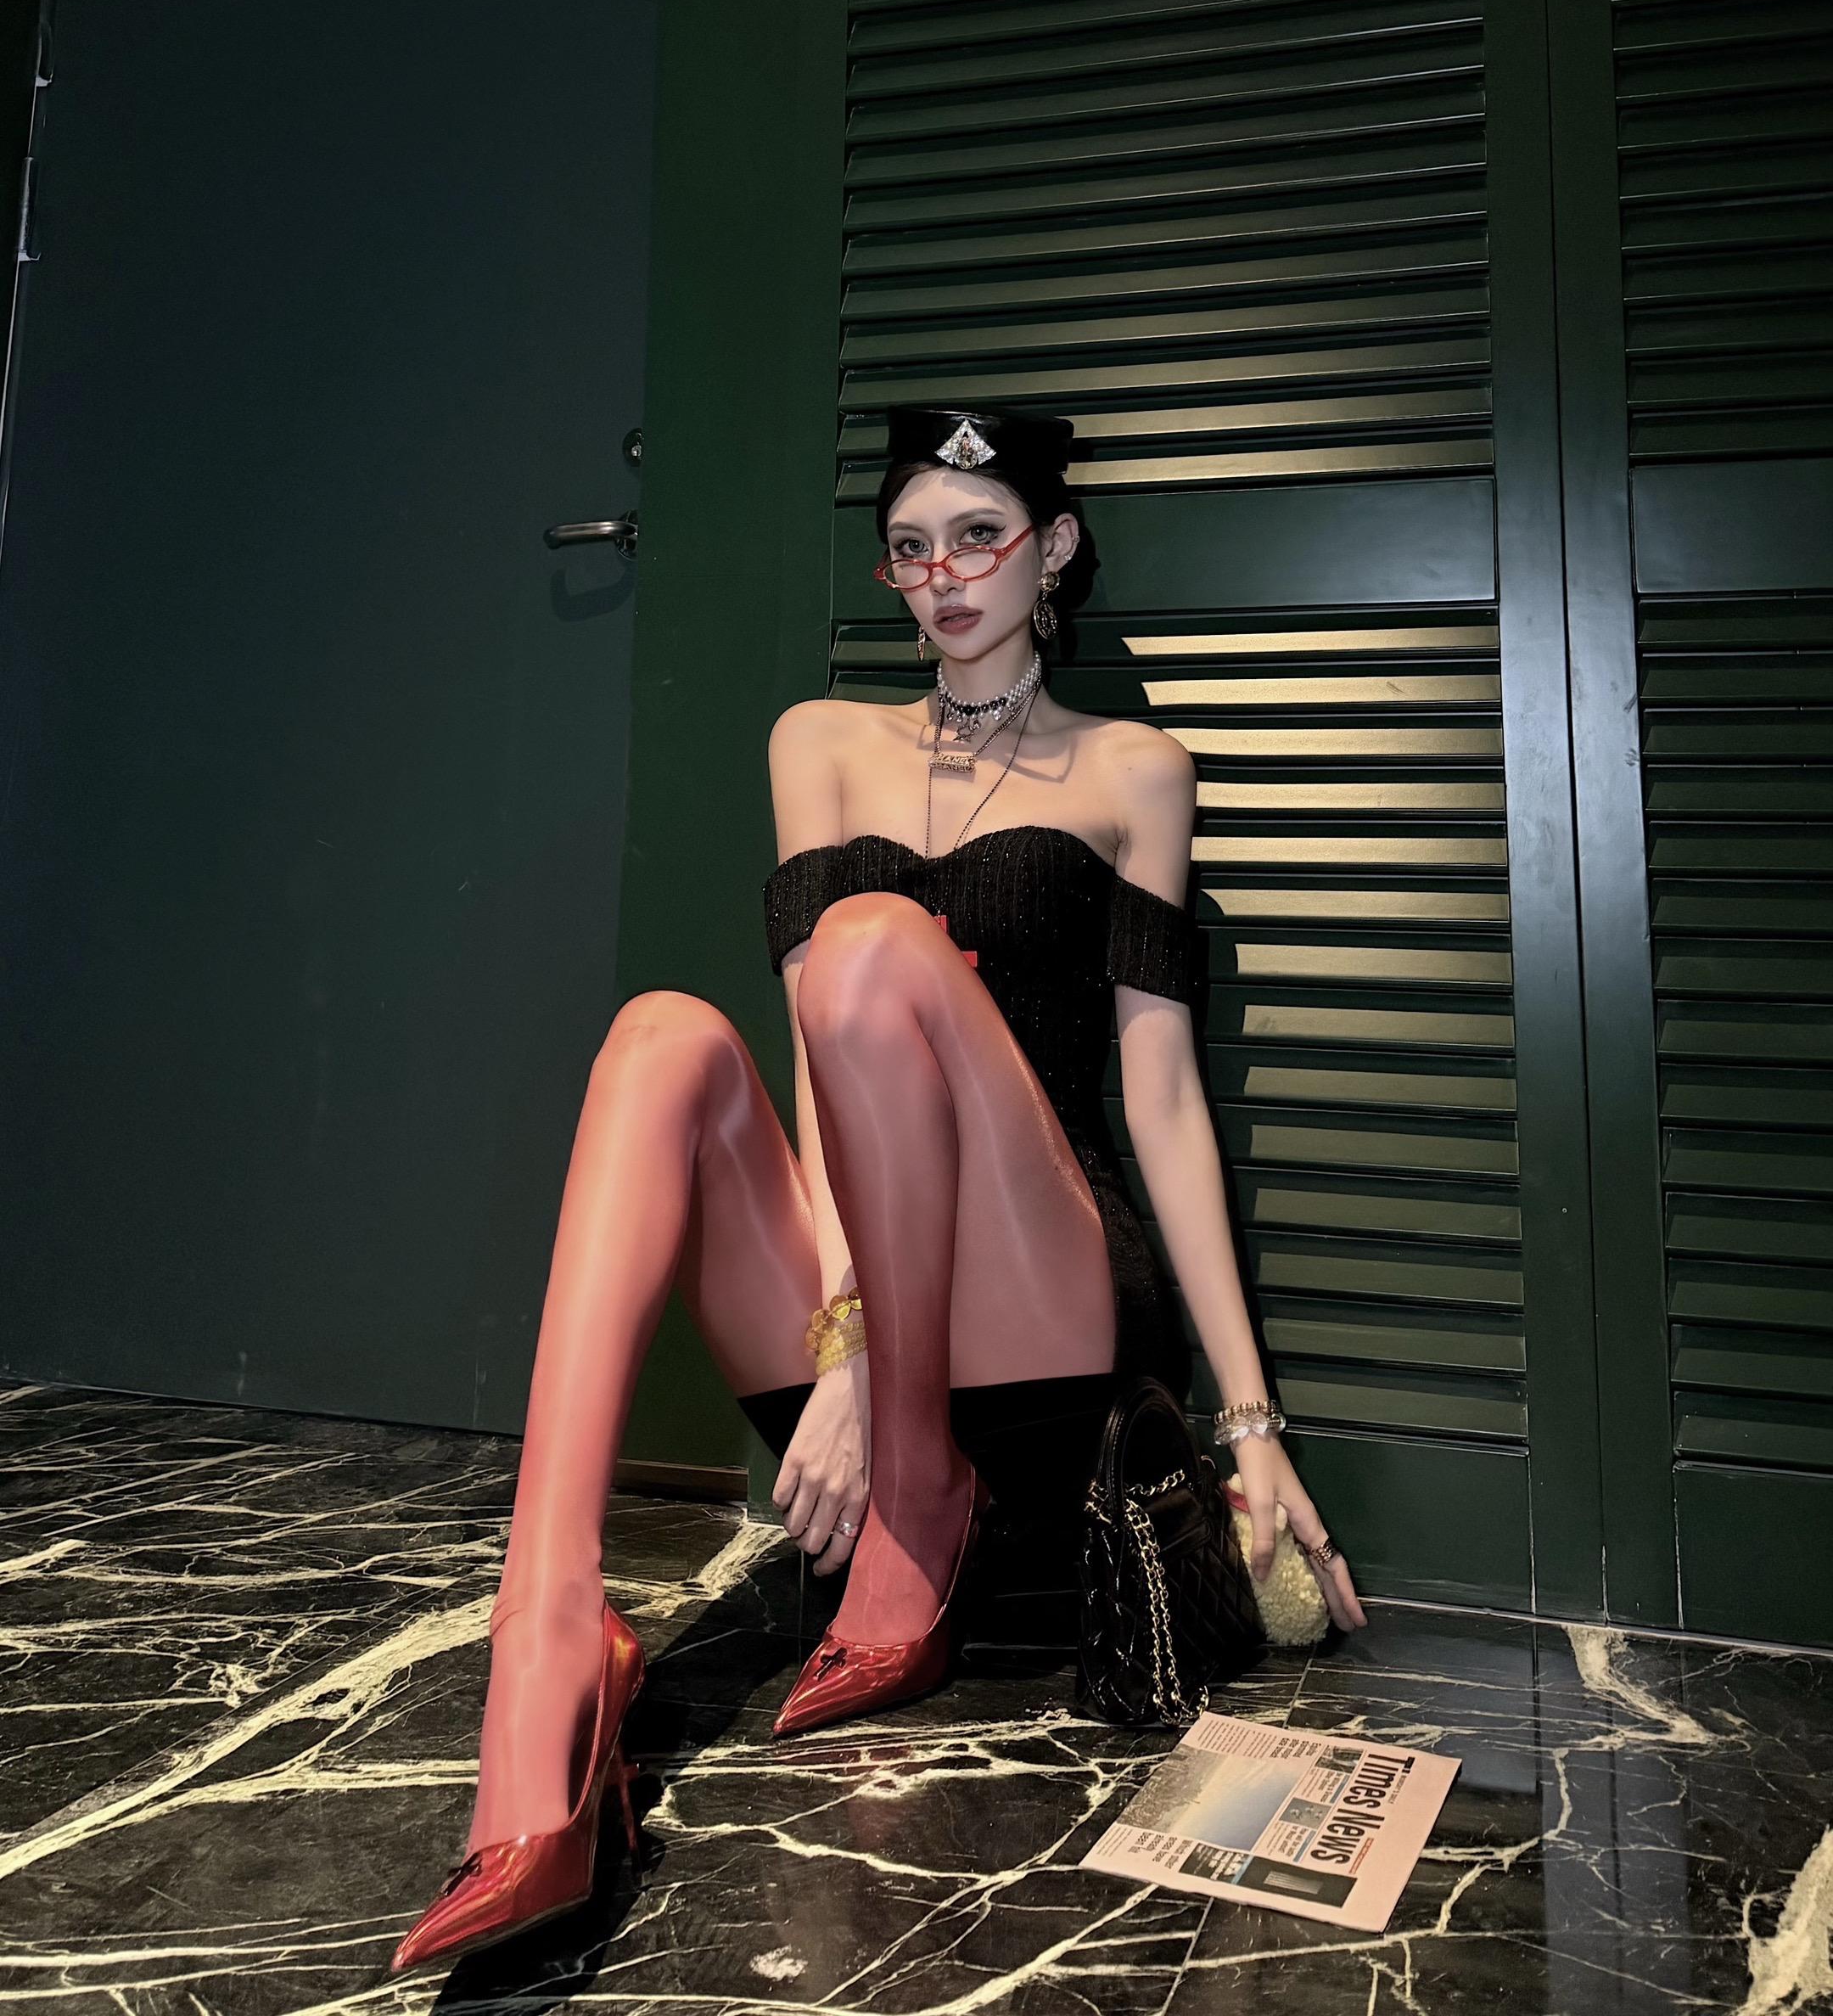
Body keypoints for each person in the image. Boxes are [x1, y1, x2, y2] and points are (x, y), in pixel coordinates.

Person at [391, 403, 1365, 1975]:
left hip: (1043, 1291)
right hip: (866, 1313)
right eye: (911, 550)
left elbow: (1164, 1098)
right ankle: (550, 1633)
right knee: (664, 1037)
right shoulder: (821, 742)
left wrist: (1250, 1424)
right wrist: (844, 1341)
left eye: (978, 537)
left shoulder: (1136, 770)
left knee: (871, 940)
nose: (944, 577)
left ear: (1053, 549)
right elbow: (811, 1057)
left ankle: (927, 1489)